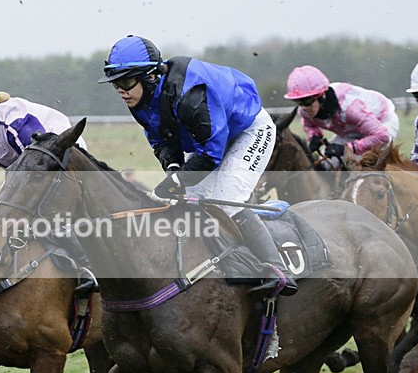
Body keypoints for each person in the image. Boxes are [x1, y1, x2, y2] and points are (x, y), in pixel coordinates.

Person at [98, 35, 297, 297]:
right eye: (116, 83)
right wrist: (173, 169)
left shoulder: (189, 95)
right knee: (189, 200)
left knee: (227, 199)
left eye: (125, 82)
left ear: (150, 76)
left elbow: (211, 155)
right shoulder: (140, 98)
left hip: (248, 131)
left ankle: (278, 270)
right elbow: (162, 140)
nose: (120, 90)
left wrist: (177, 181)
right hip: (212, 137)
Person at [0, 71, 96, 295]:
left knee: (48, 215)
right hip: (20, 166)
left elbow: (37, 169)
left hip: (57, 153)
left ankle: (88, 267)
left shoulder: (17, 124)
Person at [284, 65, 399, 165]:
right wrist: (314, 136)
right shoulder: (305, 111)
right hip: (352, 130)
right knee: (326, 164)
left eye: (307, 101)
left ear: (322, 95)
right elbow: (309, 125)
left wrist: (348, 148)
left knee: (362, 164)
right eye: (298, 102)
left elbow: (382, 137)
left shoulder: (351, 108)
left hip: (382, 122)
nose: (304, 107)